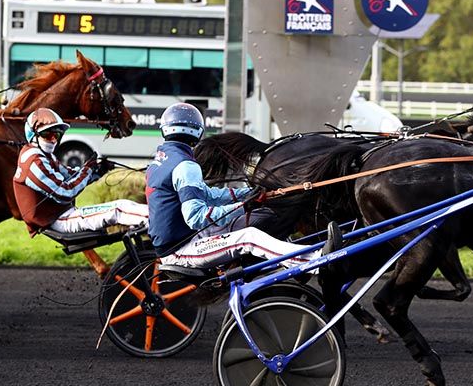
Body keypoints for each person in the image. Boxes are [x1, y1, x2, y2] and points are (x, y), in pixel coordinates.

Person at [145, 102, 340, 269]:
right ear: (198, 131)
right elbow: (196, 217)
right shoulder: (186, 165)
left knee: (250, 225)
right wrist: (242, 207)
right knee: (249, 237)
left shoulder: (161, 160)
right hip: (181, 250)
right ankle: (316, 261)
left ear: (165, 128)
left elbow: (207, 194)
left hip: (179, 241)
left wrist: (247, 193)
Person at [13, 107, 149, 236]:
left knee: (123, 205)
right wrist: (87, 170)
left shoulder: (42, 155)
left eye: (57, 134)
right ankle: (163, 223)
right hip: (58, 220)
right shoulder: (34, 162)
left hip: (59, 215)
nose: (53, 139)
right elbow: (64, 192)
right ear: (33, 135)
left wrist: (97, 171)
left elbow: (70, 175)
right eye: (47, 134)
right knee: (119, 209)